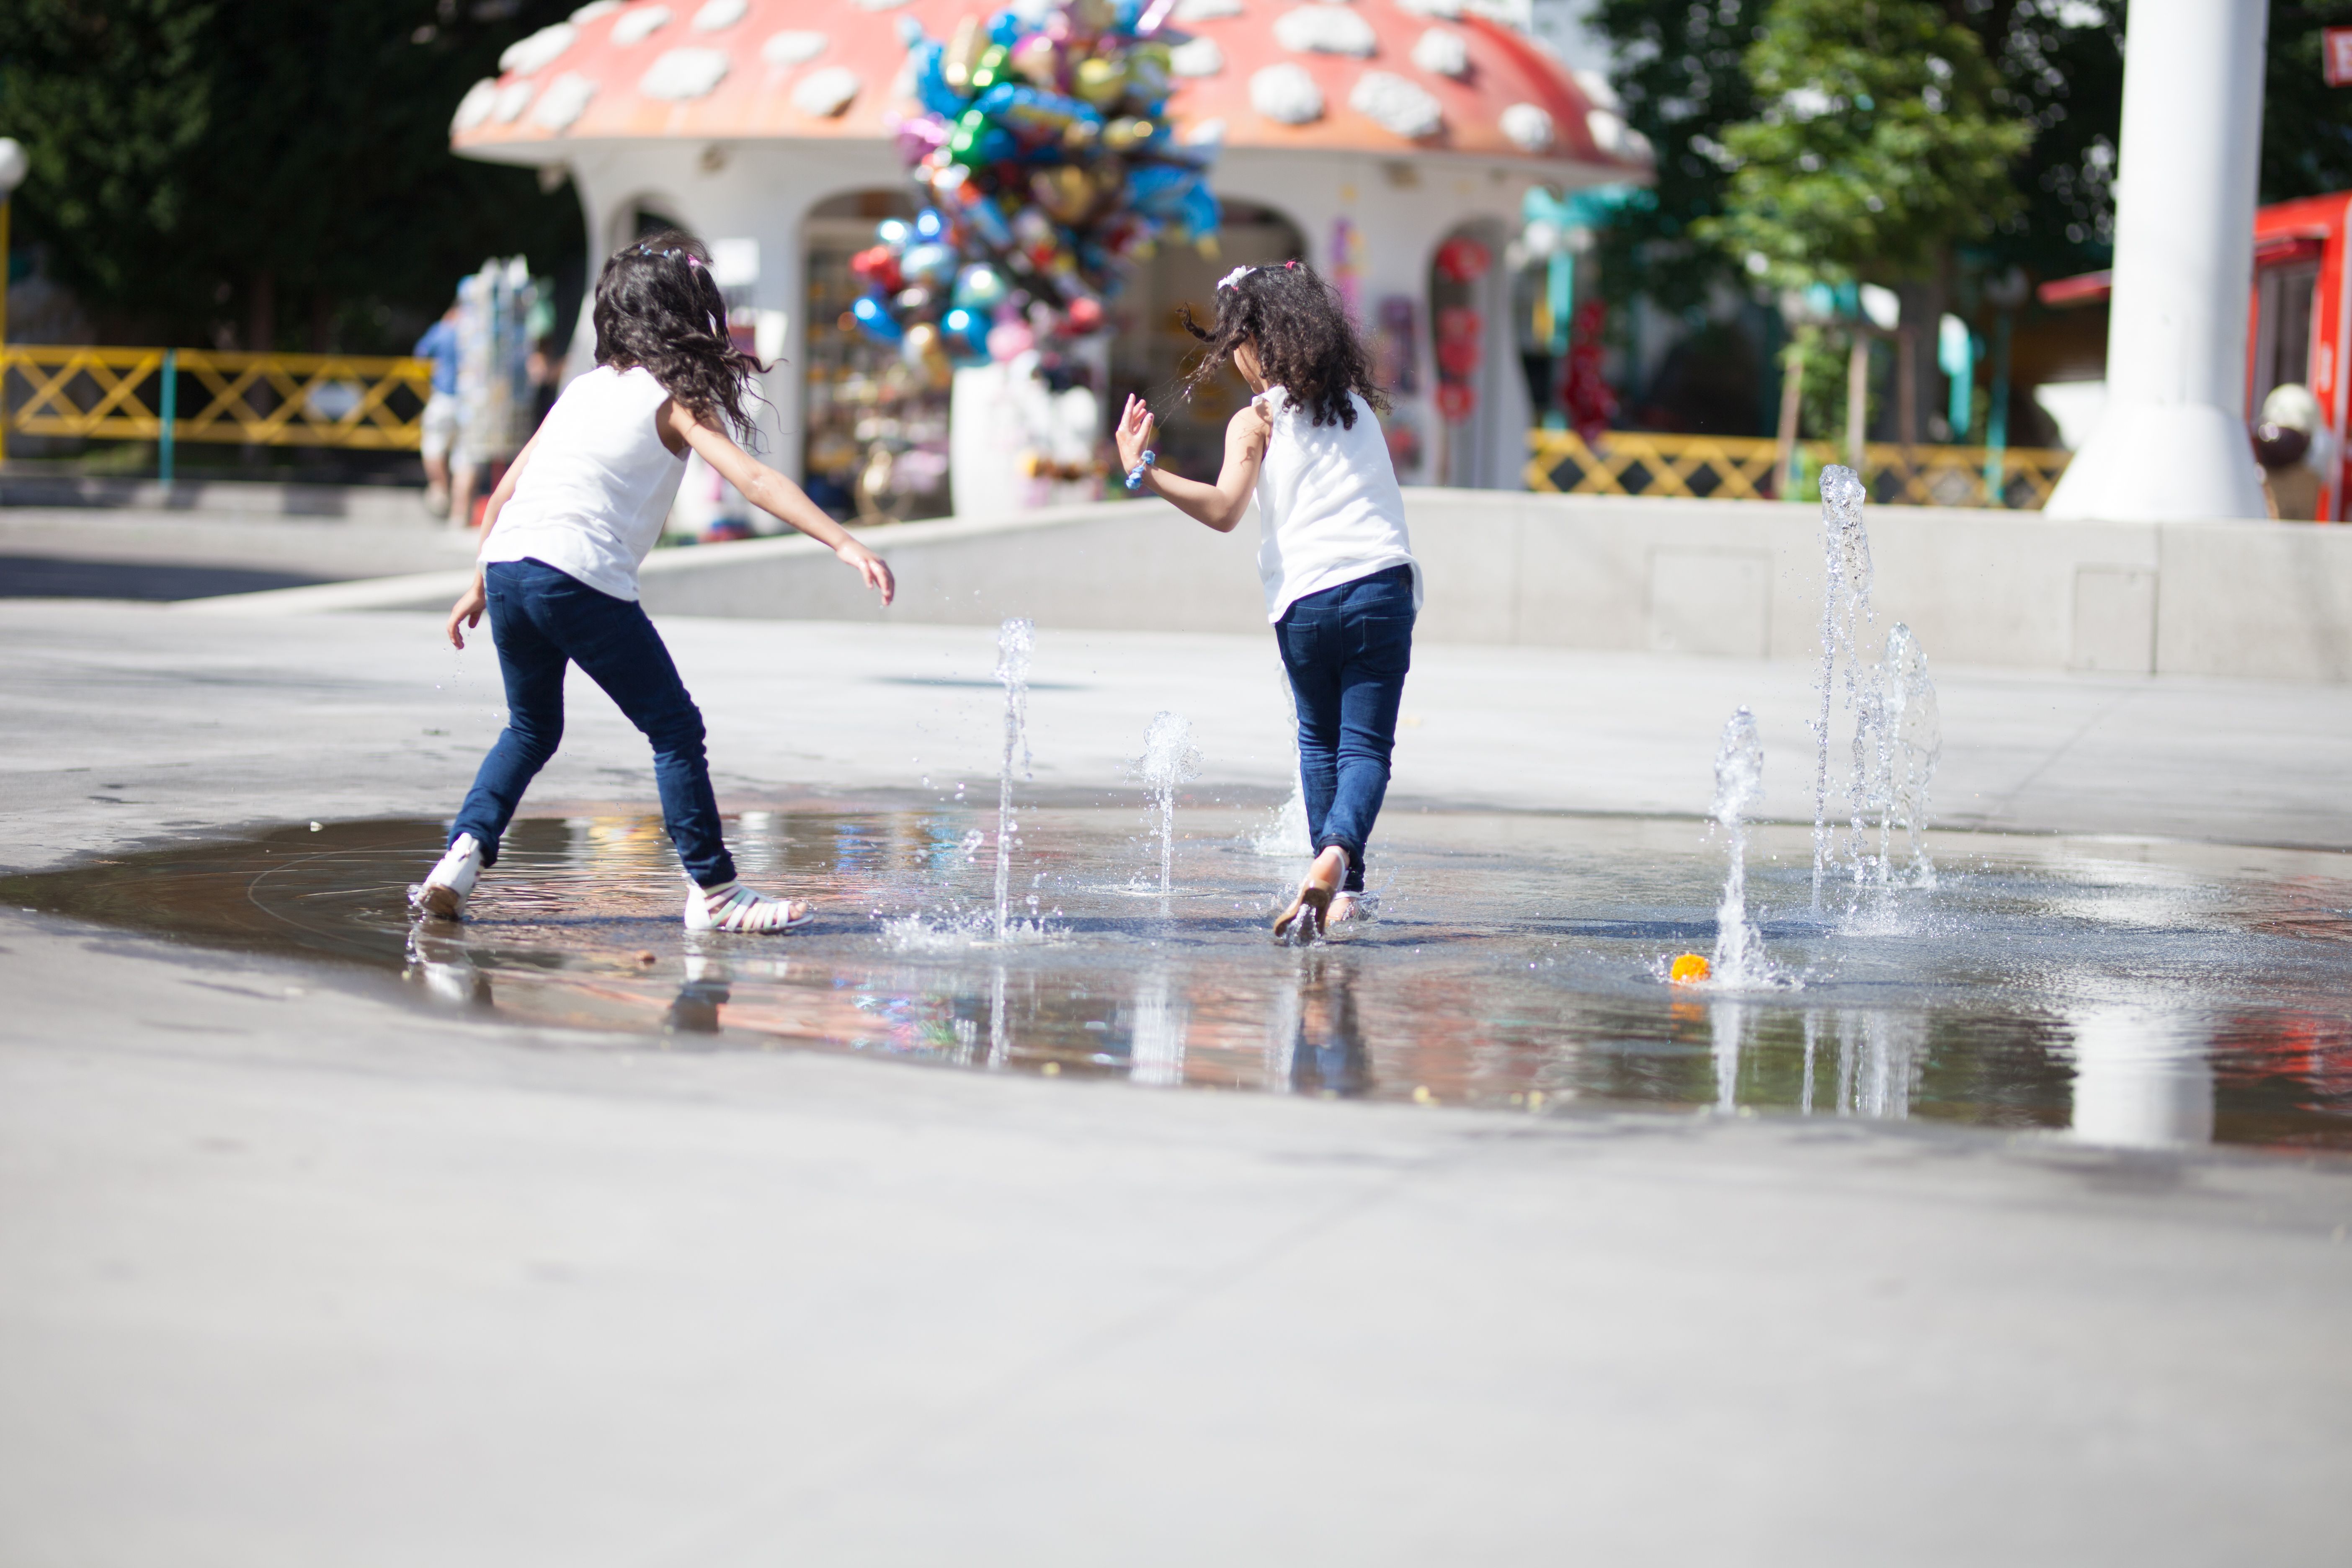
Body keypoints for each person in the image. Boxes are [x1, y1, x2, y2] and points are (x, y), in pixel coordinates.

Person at [413, 232, 895, 933]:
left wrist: (480, 583)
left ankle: (460, 854)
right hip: (575, 574)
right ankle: (715, 889)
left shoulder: (582, 390)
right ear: (684, 314)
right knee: (673, 727)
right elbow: (753, 478)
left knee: (529, 726)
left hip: (512, 565)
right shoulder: (670, 395)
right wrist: (844, 540)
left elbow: (506, 491)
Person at [1113, 260, 1419, 941]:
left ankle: (1336, 878)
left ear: (1255, 344)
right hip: (1380, 586)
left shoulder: (1255, 421)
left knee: (1318, 741)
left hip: (1303, 600)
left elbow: (1224, 510)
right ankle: (1339, 869)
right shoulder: (1358, 408)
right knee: (1365, 747)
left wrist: (1144, 469)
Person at [415, 302, 465, 520]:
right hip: (468, 404)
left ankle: (440, 490)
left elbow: (421, 354)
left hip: (443, 399)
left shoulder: (443, 330)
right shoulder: (473, 335)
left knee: (433, 449)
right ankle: (460, 512)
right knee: (463, 459)